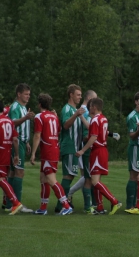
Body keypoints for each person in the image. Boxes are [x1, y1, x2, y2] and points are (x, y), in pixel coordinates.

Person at [67, 91, 120, 213]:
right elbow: (91, 128)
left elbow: (94, 136)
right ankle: (100, 207)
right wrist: (80, 117)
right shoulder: (102, 118)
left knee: (94, 181)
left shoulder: (96, 120)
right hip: (102, 151)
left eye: (90, 106)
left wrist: (82, 150)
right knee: (96, 181)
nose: (89, 108)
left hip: (97, 151)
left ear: (94, 107)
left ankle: (114, 201)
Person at [30, 93, 73, 215]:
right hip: (53, 148)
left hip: (48, 151)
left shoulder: (39, 116)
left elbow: (37, 135)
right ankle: (43, 208)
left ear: (39, 104)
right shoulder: (54, 116)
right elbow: (58, 131)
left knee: (51, 179)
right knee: (43, 178)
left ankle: (66, 205)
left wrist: (33, 153)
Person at [54, 84, 86, 212]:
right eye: (78, 94)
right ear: (71, 95)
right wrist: (76, 115)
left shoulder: (75, 110)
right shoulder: (67, 109)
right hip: (69, 147)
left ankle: (62, 203)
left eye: (81, 95)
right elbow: (65, 126)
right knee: (68, 176)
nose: (80, 97)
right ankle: (60, 205)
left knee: (70, 175)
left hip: (75, 147)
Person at [6, 83, 35, 213]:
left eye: (29, 94)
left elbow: (22, 127)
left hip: (22, 142)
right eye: (26, 94)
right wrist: (25, 118)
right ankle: (17, 204)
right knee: (19, 172)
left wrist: (27, 142)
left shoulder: (23, 107)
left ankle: (9, 203)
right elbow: (12, 123)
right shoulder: (15, 107)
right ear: (19, 94)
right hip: (16, 143)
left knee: (12, 172)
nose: (28, 97)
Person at [0, 100, 23, 215]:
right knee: (4, 178)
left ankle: (15, 202)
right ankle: (7, 202)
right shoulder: (9, 121)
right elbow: (15, 139)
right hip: (7, 153)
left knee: (1, 179)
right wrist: (16, 155)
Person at [125, 91, 139, 210]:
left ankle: (136, 204)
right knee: (134, 175)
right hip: (135, 148)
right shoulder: (132, 116)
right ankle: (130, 205)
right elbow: (132, 135)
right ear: (136, 102)